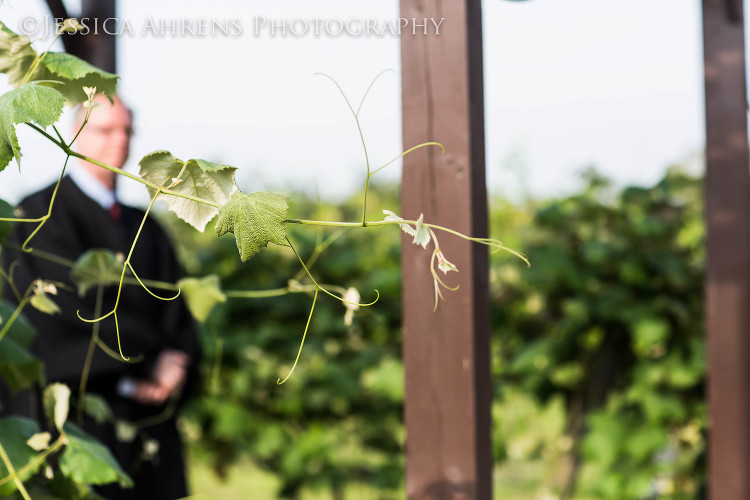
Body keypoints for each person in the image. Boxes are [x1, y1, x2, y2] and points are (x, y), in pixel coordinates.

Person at [0, 95, 201, 499]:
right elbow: (56, 314)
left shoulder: (147, 226)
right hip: (77, 419)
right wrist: (146, 364)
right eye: (105, 130)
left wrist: (177, 361)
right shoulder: (38, 216)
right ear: (75, 133)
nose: (119, 140)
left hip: (148, 423)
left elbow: (176, 312)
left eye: (127, 130)